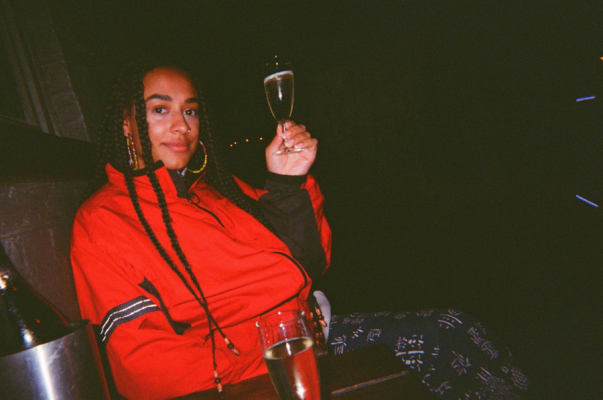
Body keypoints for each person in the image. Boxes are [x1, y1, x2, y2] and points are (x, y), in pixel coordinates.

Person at [71, 57, 530, 399]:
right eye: (159, 110)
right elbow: (144, 368)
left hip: (310, 338)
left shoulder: (215, 192)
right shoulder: (104, 222)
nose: (181, 126)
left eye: (190, 111)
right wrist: (277, 360)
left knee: (455, 328)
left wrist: (288, 183)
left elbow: (310, 262)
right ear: (128, 123)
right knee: (438, 342)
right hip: (254, 379)